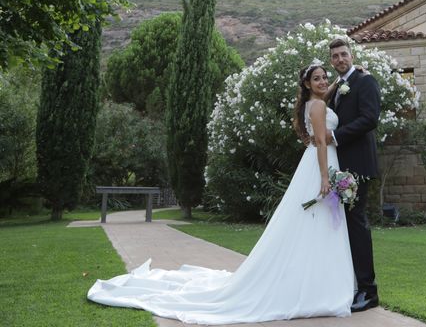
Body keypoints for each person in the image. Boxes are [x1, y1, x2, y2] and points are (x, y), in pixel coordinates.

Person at [87, 63, 354, 325]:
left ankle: (312, 283)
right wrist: (324, 177)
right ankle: (318, 287)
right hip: (320, 166)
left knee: (312, 223)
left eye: (324, 78)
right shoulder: (318, 106)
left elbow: (323, 103)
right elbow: (320, 141)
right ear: (307, 84)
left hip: (316, 164)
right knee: (316, 221)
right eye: (317, 78)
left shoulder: (313, 103)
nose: (322, 82)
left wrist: (340, 81)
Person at [326, 37, 381, 312]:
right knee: (347, 225)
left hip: (358, 166)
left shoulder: (365, 81)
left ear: (351, 55)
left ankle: (369, 292)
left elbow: (370, 118)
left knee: (357, 225)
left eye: (343, 54)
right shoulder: (338, 87)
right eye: (334, 56)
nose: (339, 59)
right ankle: (355, 285)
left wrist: (335, 136)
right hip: (342, 167)